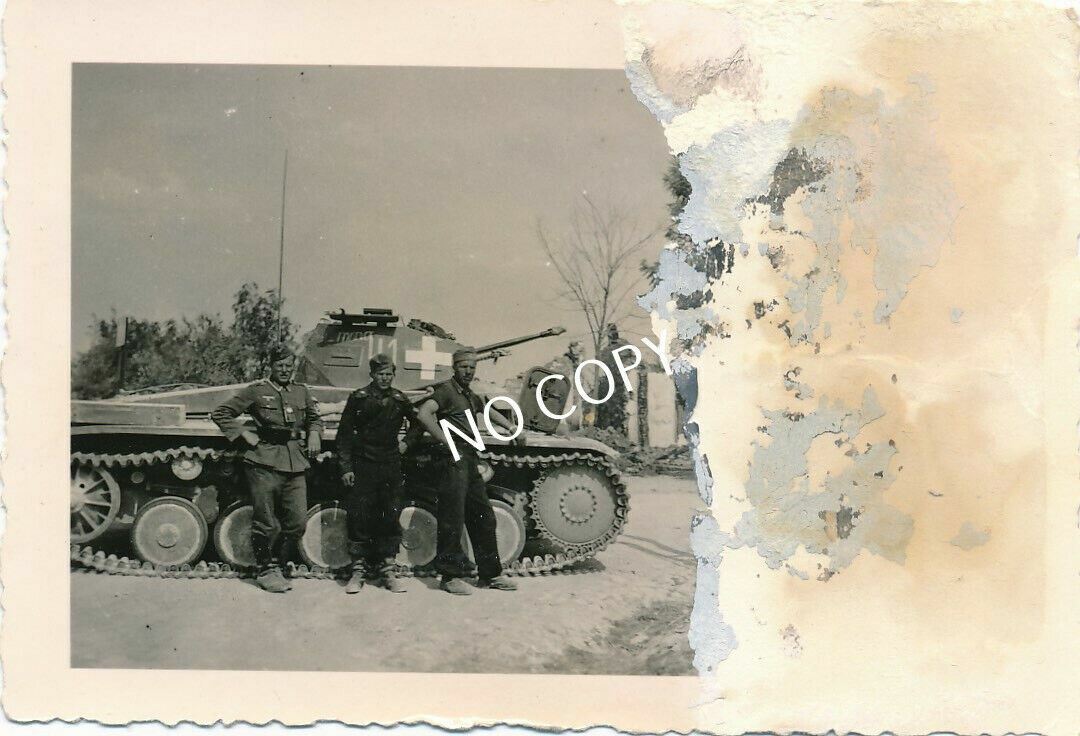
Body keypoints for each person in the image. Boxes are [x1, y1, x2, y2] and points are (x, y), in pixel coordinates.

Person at [212, 345, 322, 593]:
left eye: (288, 365)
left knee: (297, 522)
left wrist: (315, 432)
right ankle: (265, 569)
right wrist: (243, 434)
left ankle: (279, 563)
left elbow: (314, 417)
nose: (284, 370)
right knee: (266, 520)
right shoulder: (257, 391)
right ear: (271, 366)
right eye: (279, 365)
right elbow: (221, 413)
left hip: (295, 459)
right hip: (264, 459)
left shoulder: (301, 391)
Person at [412, 347, 523, 595]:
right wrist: (446, 441)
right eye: (464, 367)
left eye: (472, 367)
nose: (468, 371)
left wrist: (511, 428)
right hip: (453, 459)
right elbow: (424, 414)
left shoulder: (469, 394)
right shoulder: (446, 391)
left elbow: (486, 409)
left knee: (484, 515)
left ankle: (490, 574)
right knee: (452, 517)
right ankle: (449, 576)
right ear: (455, 367)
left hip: (469, 458)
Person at [336, 353, 417, 594]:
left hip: (390, 464)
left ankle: (388, 570)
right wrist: (346, 467)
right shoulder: (359, 398)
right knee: (359, 516)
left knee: (390, 515)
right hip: (363, 463)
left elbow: (418, 423)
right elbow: (344, 435)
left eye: (389, 374)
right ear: (372, 374)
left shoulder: (399, 399)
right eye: (381, 374)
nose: (385, 378)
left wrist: (407, 443)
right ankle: (358, 571)